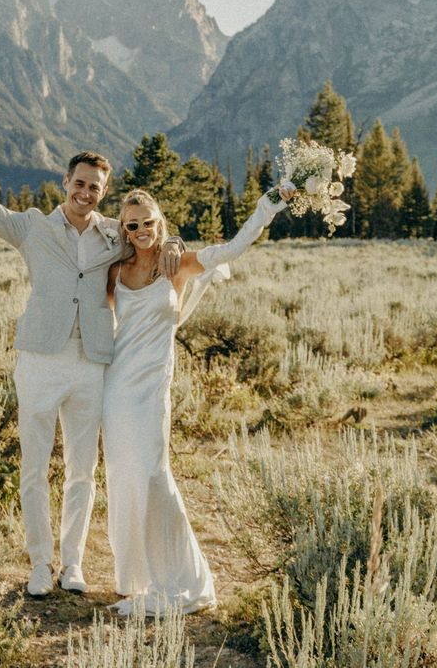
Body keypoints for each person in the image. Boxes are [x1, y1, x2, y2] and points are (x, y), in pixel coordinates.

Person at [0, 114, 182, 598]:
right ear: (65, 183)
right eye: (80, 183)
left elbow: (149, 237)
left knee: (82, 469)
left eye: (95, 187)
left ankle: (73, 563)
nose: (86, 192)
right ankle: (40, 564)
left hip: (91, 362)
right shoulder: (33, 227)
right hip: (38, 360)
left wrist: (175, 244)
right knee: (34, 467)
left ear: (103, 192)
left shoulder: (113, 236)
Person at [103, 182, 294, 616]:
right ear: (123, 228)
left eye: (148, 223)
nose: (141, 231)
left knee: (153, 474)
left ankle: (177, 578)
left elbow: (231, 249)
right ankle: (131, 576)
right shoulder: (115, 271)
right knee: (123, 475)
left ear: (159, 221)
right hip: (116, 388)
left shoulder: (179, 264)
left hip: (152, 387)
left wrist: (267, 206)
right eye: (132, 225)